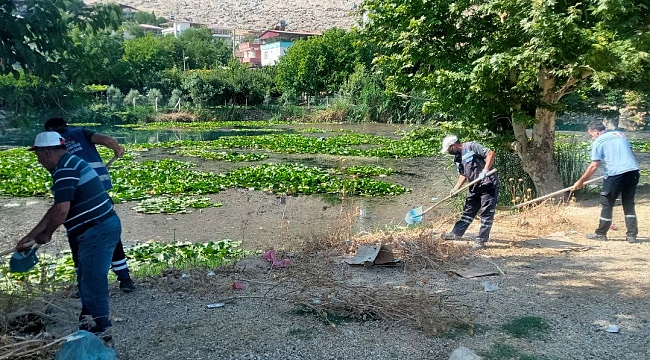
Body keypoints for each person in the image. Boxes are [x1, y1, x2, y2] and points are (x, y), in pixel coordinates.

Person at [16, 132, 121, 338]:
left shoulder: (65, 170)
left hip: (97, 229)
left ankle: (102, 329)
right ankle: (89, 322)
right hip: (100, 226)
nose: (37, 160)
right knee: (86, 278)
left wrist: (47, 234)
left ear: (46, 152)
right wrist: (31, 235)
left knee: (93, 281)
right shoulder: (70, 163)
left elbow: (62, 211)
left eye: (37, 155)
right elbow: (55, 209)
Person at [44, 117, 135, 292]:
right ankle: (125, 279)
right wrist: (117, 149)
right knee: (109, 231)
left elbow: (61, 205)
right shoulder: (80, 133)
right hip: (98, 192)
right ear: (66, 126)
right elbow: (108, 140)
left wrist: (46, 231)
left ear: (49, 132)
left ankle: (84, 285)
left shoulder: (53, 149)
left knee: (77, 235)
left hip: (77, 194)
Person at [573, 121, 640, 243]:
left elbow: (594, 166)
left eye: (591, 135)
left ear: (596, 132)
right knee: (628, 202)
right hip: (633, 171)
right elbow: (629, 152)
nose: (592, 137)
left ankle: (601, 233)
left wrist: (580, 181)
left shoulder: (598, 141)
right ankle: (632, 235)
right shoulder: (620, 134)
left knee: (607, 202)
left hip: (615, 174)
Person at [439, 135, 499, 249]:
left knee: (486, 213)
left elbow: (490, 153)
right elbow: (463, 175)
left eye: (448, 149)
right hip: (474, 186)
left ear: (454, 145)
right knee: (468, 211)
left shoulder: (471, 146)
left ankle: (481, 240)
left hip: (488, 184)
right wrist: (455, 188)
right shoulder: (457, 158)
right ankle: (456, 233)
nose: (448, 152)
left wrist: (485, 170)